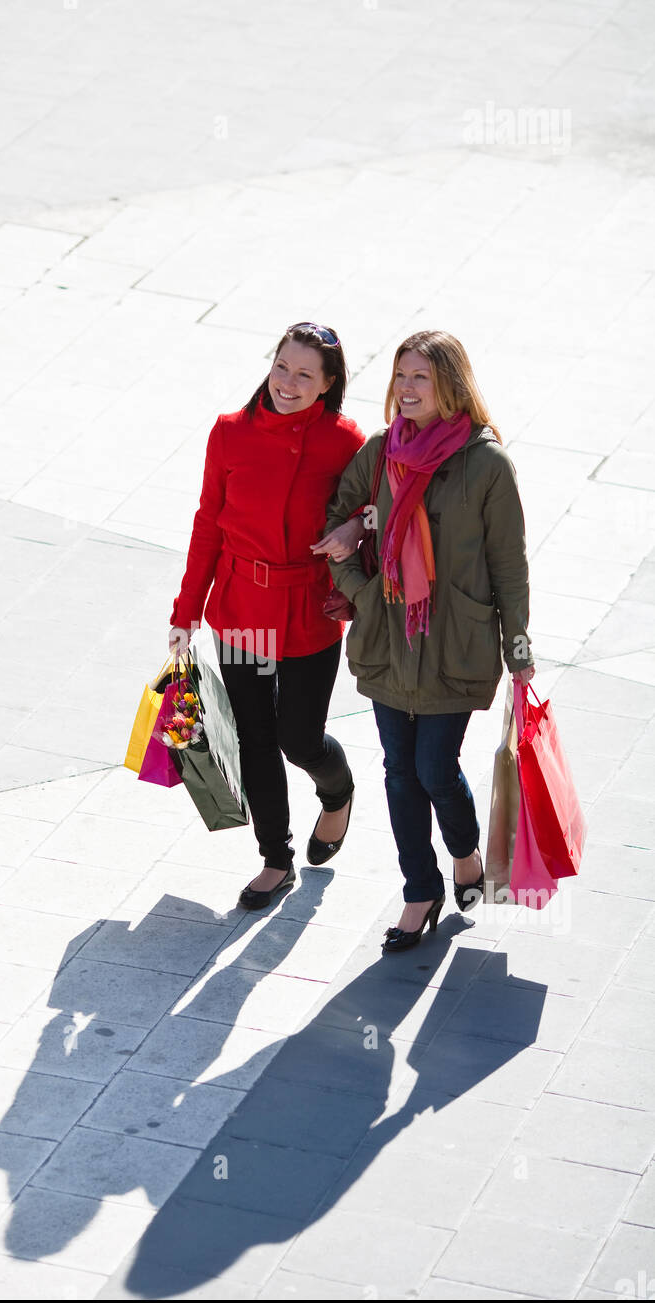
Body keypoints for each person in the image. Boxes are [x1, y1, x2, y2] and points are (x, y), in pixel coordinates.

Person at [323, 329, 534, 951]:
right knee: (398, 771)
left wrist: (519, 650)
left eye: (421, 377)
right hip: (389, 637)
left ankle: (465, 854)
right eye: (400, 376)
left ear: (451, 384)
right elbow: (338, 516)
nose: (406, 389)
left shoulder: (488, 463)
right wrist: (359, 590)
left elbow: (509, 564)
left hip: (455, 643)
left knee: (434, 768)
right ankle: (422, 888)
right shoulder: (383, 450)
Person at [169, 323, 366, 910]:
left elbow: (371, 514)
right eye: (283, 367)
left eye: (306, 374)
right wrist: (187, 611)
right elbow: (208, 523)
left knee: (298, 737)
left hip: (309, 608)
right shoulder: (230, 433)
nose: (288, 382)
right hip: (243, 610)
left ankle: (338, 792)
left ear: (329, 385)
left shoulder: (345, 440)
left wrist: (355, 577)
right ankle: (274, 858)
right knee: (256, 738)